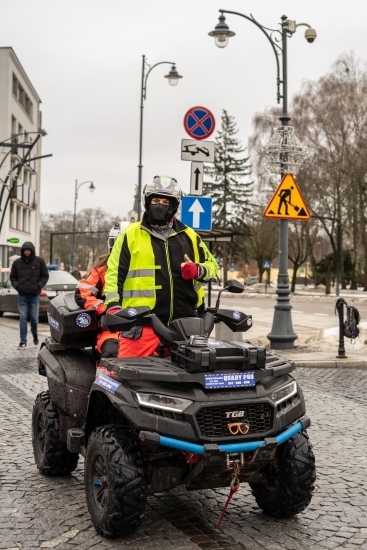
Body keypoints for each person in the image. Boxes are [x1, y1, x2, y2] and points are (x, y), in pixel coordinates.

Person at [104, 175, 218, 358]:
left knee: (186, 383)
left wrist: (199, 270)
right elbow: (114, 274)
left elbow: (212, 265)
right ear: (147, 202)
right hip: (141, 325)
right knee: (129, 378)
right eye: (155, 200)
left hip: (186, 327)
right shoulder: (130, 235)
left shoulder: (189, 236)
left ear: (174, 205)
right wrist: (113, 307)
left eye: (166, 201)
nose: (160, 205)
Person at [75, 221, 130, 375]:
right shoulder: (102, 269)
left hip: (142, 328)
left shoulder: (145, 267)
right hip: (111, 328)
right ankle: (101, 393)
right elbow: (82, 292)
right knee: (111, 352)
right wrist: (106, 308)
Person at [10, 241, 49, 349]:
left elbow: (45, 276)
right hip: (22, 296)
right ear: (22, 251)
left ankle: (35, 335)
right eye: (25, 250)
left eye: (29, 250)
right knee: (23, 319)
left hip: (34, 296)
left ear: (32, 251)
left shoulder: (39, 261)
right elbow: (13, 277)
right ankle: (23, 341)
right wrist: (17, 286)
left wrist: (38, 286)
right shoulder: (17, 263)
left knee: (34, 319)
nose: (27, 252)